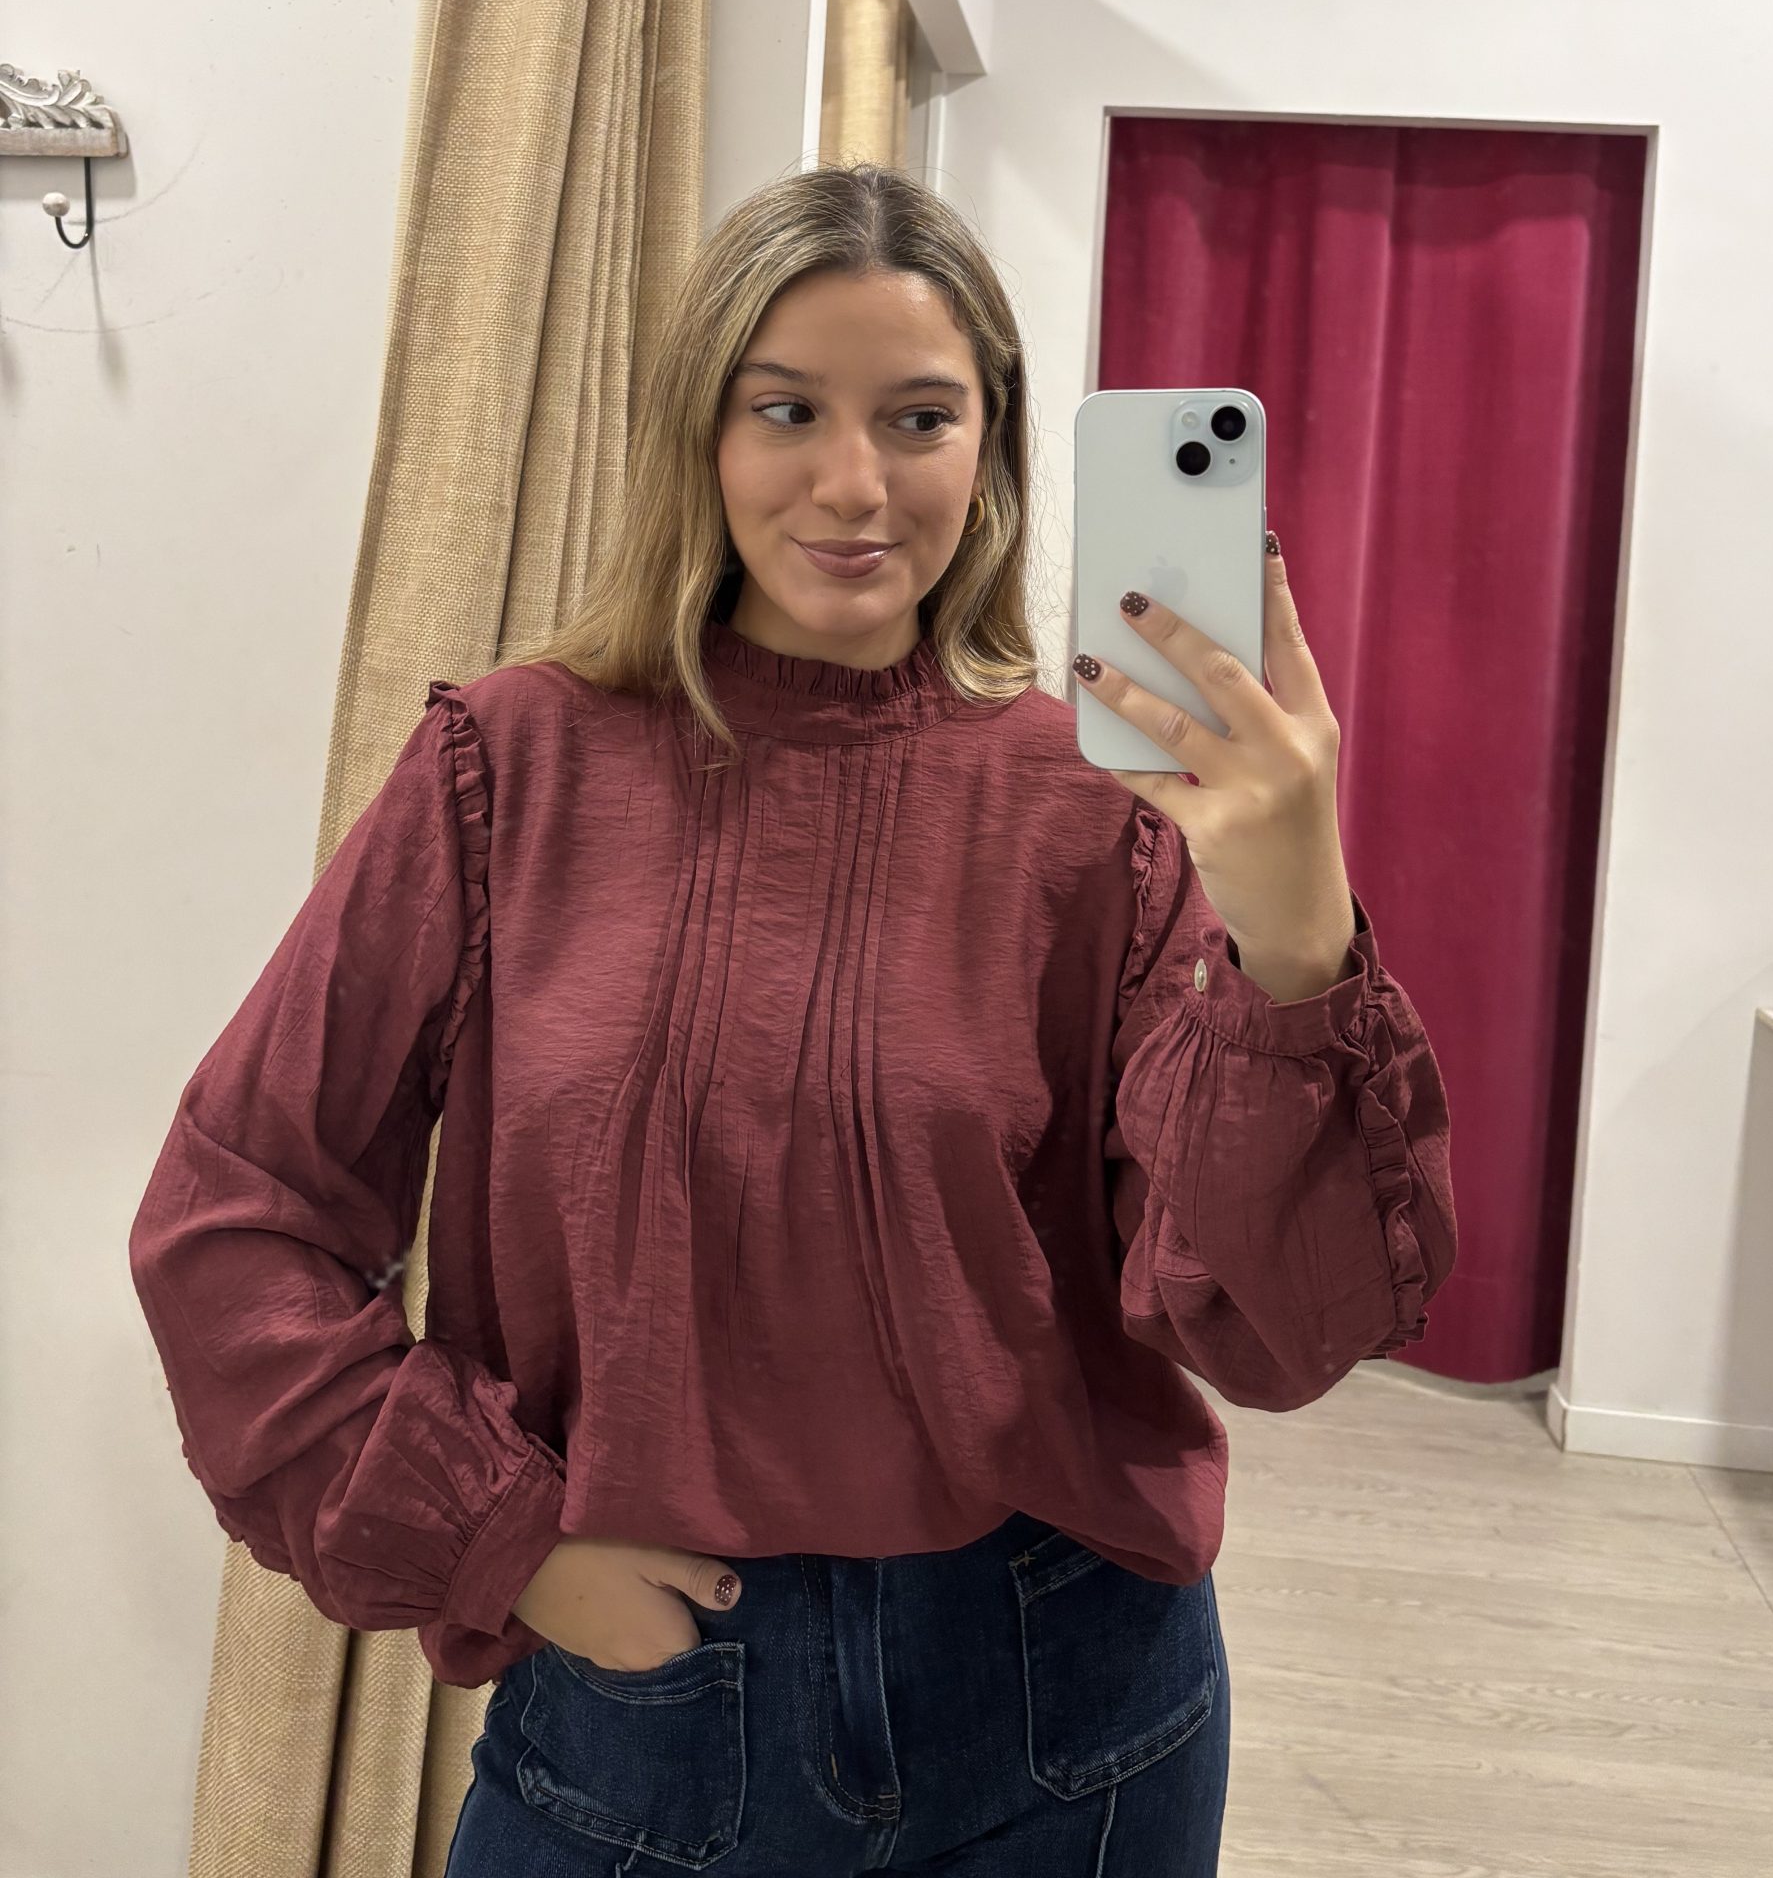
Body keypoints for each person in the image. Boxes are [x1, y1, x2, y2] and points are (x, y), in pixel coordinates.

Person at [130, 164, 1457, 1876]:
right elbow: (234, 1221)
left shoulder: (1099, 812)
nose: (854, 485)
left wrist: (1294, 936)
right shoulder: (510, 766)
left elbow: (1276, 1334)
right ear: (703, 429)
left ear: (991, 447)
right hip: (647, 1717)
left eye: (919, 417)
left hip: (1072, 1711)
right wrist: (500, 1541)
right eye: (787, 410)